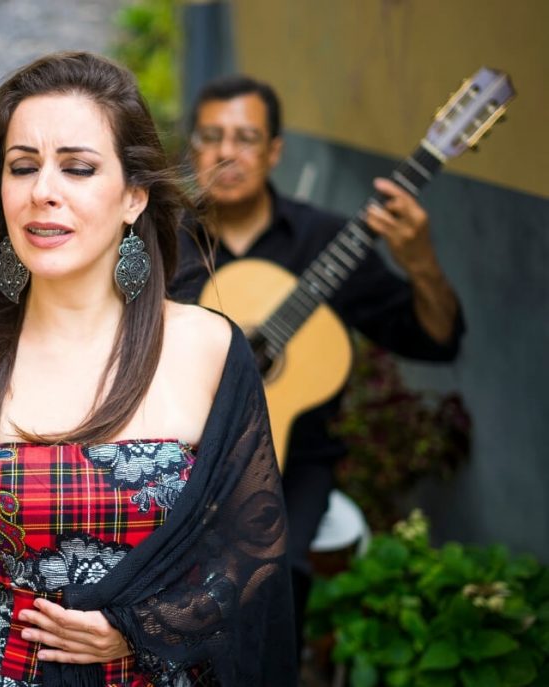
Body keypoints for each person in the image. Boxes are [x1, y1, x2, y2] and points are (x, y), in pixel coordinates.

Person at [0, 52, 296, 687]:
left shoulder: (205, 347)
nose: (43, 190)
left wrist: (139, 627)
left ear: (133, 196)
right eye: (23, 167)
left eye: (77, 168)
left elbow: (250, 559)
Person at [168, 75, 465, 659]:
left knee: (274, 589)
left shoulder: (327, 243)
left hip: (290, 466)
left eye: (247, 137)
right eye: (212, 135)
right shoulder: (161, 245)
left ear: (275, 150)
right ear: (193, 148)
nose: (228, 151)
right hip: (176, 457)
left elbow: (436, 341)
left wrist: (422, 263)